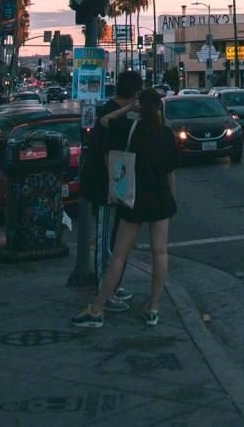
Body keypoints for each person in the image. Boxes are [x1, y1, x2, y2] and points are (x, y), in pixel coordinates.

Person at [71, 87, 178, 330]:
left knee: (118, 255)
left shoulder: (129, 129)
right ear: (159, 108)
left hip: (134, 198)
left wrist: (129, 107)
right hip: (161, 198)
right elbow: (170, 172)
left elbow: (104, 120)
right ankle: (153, 308)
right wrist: (173, 199)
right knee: (160, 253)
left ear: (141, 108)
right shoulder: (166, 134)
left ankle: (97, 309)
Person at [87, 70, 142, 311]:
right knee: (103, 240)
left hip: (118, 184)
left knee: (114, 239)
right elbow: (106, 142)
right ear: (134, 92)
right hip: (104, 185)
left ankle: (112, 284)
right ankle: (104, 290)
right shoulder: (109, 111)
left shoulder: (120, 113)